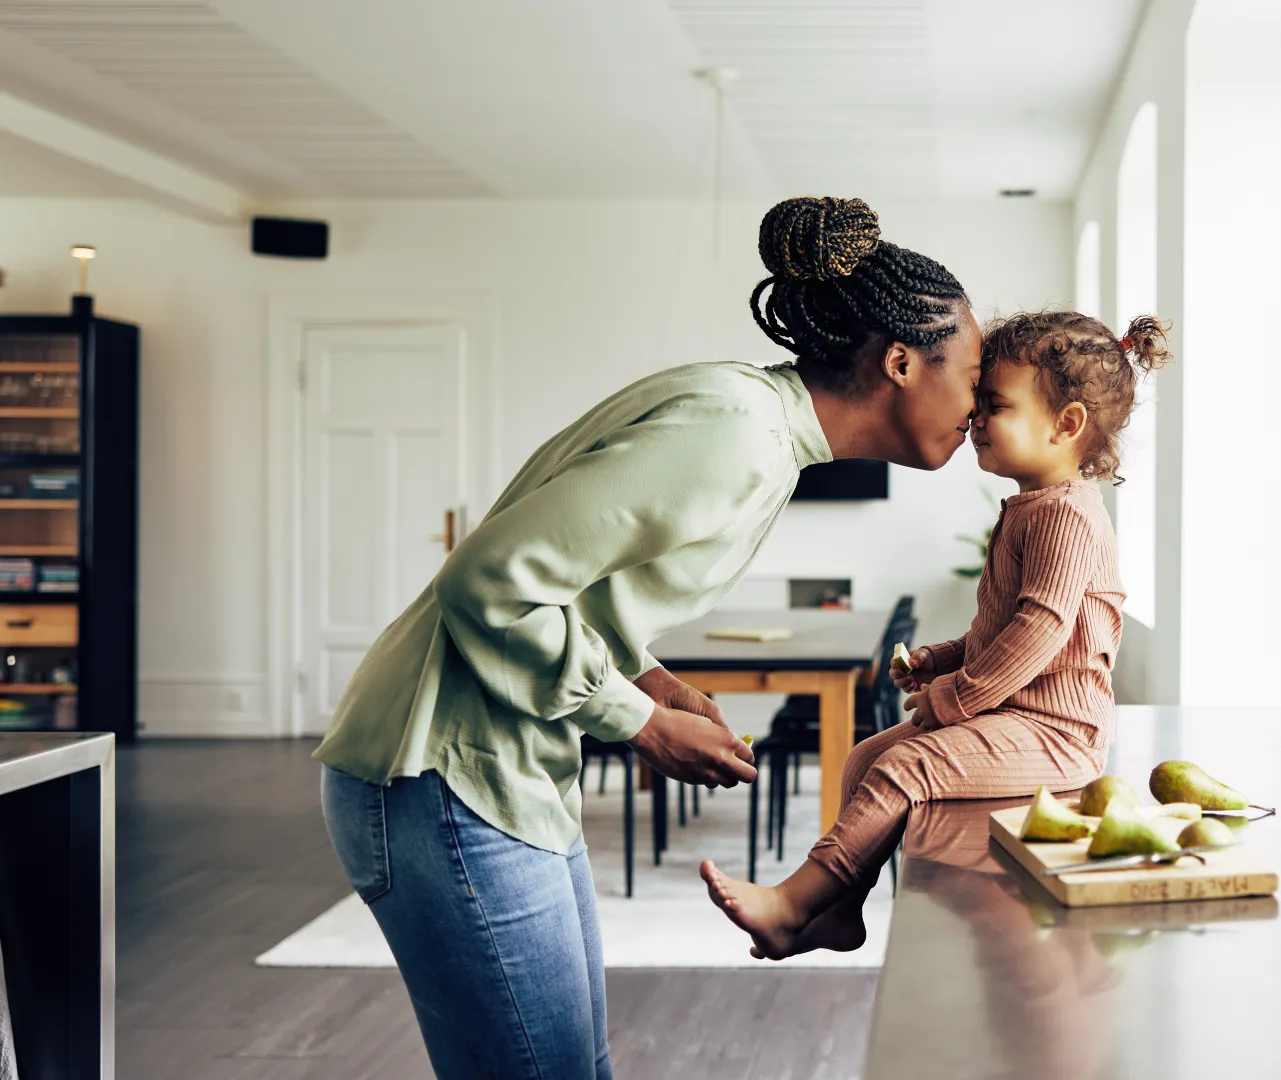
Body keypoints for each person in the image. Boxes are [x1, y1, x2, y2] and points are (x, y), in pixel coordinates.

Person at [313, 196, 982, 1080]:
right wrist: (637, 722)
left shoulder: (756, 426)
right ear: (901, 362)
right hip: (440, 773)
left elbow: (571, 582)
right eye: (971, 374)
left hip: (486, 772)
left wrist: (650, 678)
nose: (979, 405)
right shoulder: (736, 436)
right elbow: (489, 581)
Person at [701, 310, 1173, 961]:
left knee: (903, 768)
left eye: (995, 406)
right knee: (866, 758)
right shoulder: (1035, 508)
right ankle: (841, 911)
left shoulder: (1067, 517)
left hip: (1059, 733)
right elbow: (1008, 627)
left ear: (1066, 425)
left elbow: (1041, 630)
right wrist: (943, 657)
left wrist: (959, 694)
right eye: (977, 403)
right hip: (1015, 715)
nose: (975, 418)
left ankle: (793, 904)